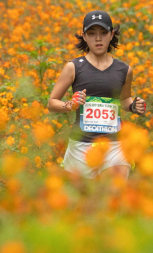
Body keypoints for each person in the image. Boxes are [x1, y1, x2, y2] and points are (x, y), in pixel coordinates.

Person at [48, 10, 147, 180]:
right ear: (84, 37)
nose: (98, 38)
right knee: (81, 203)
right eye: (92, 33)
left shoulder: (124, 70)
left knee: (113, 195)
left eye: (103, 33)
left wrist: (133, 105)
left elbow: (124, 99)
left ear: (111, 35)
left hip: (114, 146)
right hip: (81, 147)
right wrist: (69, 105)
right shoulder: (74, 67)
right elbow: (52, 103)